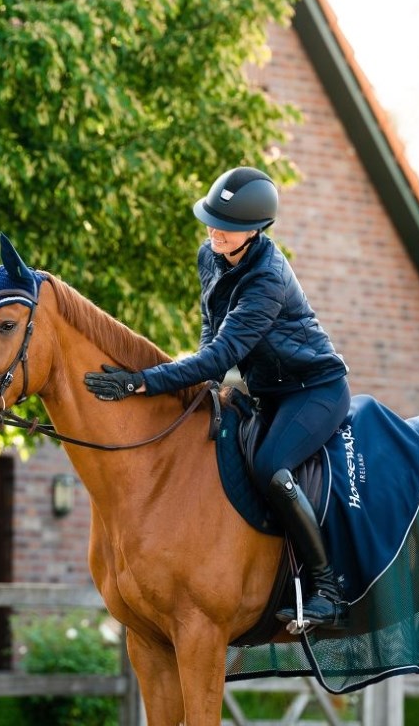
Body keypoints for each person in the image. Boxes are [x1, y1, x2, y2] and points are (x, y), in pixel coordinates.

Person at [84, 166, 351, 629]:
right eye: (212, 220)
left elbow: (223, 354)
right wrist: (197, 384)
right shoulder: (209, 257)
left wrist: (143, 380)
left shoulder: (267, 277)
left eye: (227, 228)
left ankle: (327, 589)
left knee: (271, 466)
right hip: (267, 391)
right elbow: (211, 335)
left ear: (255, 231)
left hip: (315, 391)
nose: (215, 232)